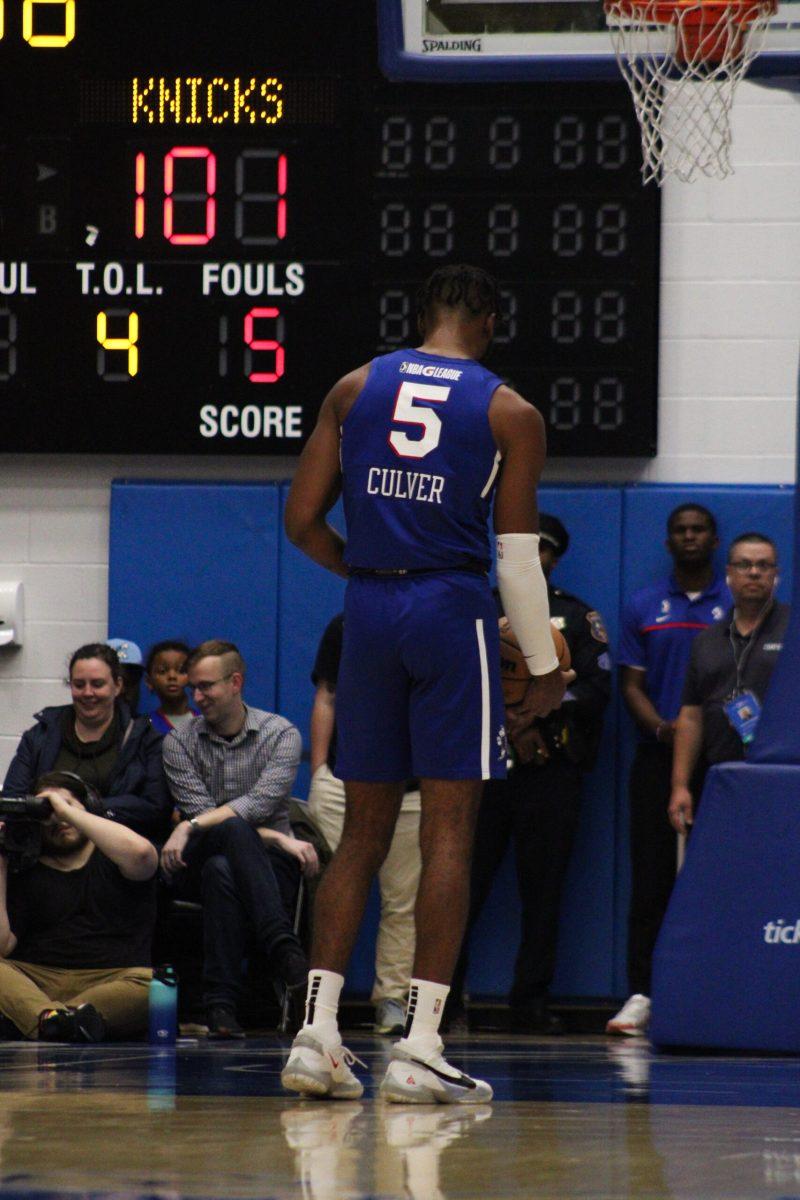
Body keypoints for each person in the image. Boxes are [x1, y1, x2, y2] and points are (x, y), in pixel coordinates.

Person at [281, 263, 568, 1103]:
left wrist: (367, 574)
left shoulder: (354, 385)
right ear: (485, 313)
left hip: (368, 606)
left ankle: (316, 1036)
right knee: (449, 831)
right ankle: (420, 1048)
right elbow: (516, 559)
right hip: (451, 606)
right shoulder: (509, 409)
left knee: (362, 832)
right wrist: (545, 669)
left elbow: (300, 520)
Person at [449, 513, 611, 1034]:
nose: (530, 557)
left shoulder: (574, 616)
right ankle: (443, 1000)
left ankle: (530, 1001)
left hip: (551, 772)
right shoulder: (476, 610)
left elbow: (595, 689)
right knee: (461, 884)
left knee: (543, 891)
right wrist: (512, 725)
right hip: (484, 770)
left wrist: (538, 713)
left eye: (541, 549)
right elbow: (454, 682)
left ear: (554, 557)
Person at [608, 504, 728, 1037]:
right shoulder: (644, 606)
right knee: (652, 881)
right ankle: (642, 994)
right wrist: (662, 729)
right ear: (668, 541)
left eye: (698, 529)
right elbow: (630, 685)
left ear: (714, 538)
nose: (689, 537)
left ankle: (718, 991)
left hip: (726, 765)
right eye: (680, 530)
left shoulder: (739, 605)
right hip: (658, 760)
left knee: (724, 881)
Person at [160, 639, 317, 1038]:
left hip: (265, 866)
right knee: (222, 841)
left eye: (206, 686)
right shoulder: (178, 742)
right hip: (201, 857)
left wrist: (189, 825)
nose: (196, 697)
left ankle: (221, 1008)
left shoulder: (280, 734)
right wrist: (279, 839)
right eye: (194, 687)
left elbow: (259, 805)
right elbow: (211, 819)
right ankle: (284, 949)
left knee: (222, 870)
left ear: (235, 682)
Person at [308, 611, 421, 1036]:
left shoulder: (434, 627)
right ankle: (320, 1002)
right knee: (330, 888)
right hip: (344, 781)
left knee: (403, 900)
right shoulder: (344, 625)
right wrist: (320, 770)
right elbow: (327, 695)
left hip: (412, 786)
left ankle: (392, 999)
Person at [0, 771, 158, 1041]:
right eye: (46, 811)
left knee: (157, 988)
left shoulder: (115, 856)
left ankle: (46, 1020)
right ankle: (67, 1020)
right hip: (38, 978)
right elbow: (2, 947)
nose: (57, 818)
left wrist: (67, 811)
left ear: (89, 810)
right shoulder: (25, 867)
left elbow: (143, 855)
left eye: (66, 805)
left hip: (113, 979)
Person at [669, 532, 789, 833]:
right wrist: (680, 785)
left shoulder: (795, 630)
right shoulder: (707, 640)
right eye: (744, 564)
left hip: (785, 776)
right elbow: (691, 716)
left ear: (776, 575)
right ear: (729, 575)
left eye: (764, 565)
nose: (754, 572)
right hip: (722, 776)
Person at [3, 643, 172, 843]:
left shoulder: (146, 738)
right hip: (46, 850)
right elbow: (13, 800)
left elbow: (155, 808)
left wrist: (84, 809)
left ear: (117, 686)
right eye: (79, 684)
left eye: (97, 684)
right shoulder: (40, 734)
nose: (88, 693)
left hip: (115, 854)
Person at [144, 640, 200, 734]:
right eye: (162, 671)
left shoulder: (206, 721)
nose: (172, 676)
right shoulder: (145, 726)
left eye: (181, 670)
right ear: (149, 681)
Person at [106, 638, 145, 716]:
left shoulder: (149, 727)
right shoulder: (76, 726)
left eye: (131, 680)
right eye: (115, 680)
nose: (122, 690)